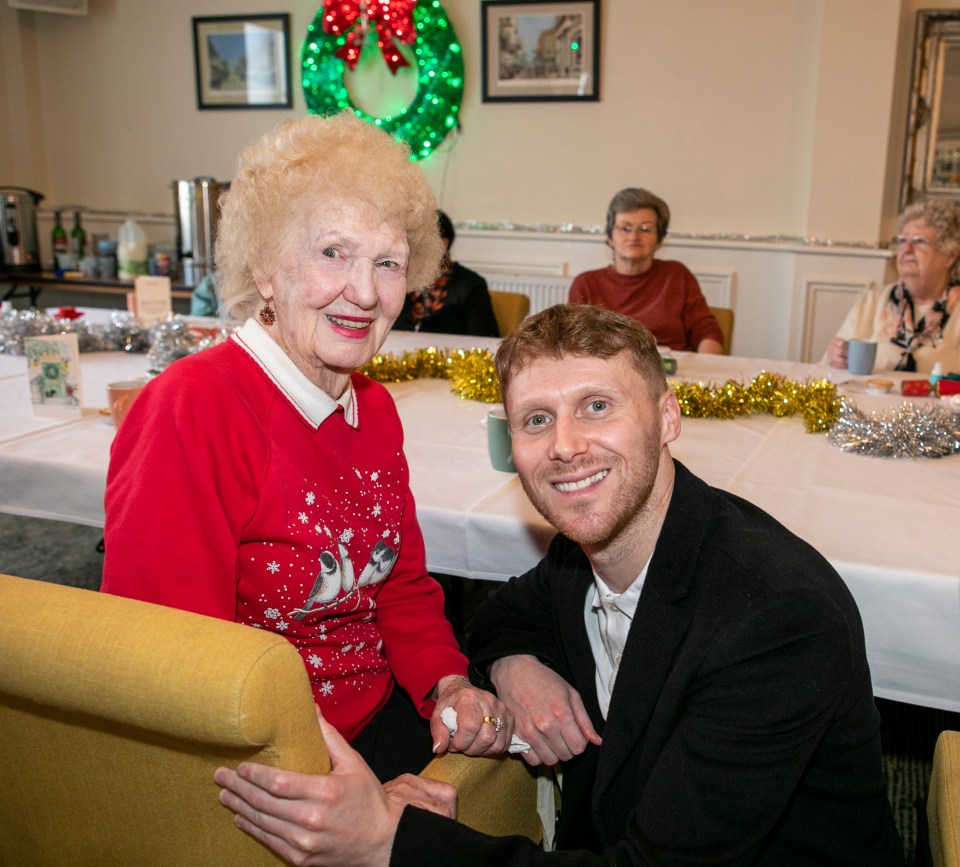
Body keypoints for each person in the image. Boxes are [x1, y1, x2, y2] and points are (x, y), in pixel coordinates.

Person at [215, 305, 905, 866]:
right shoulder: (587, 555)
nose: (565, 445)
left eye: (597, 406)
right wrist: (516, 666)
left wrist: (390, 840)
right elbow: (502, 616)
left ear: (667, 416)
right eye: (536, 420)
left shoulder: (776, 618)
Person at [101, 112, 512, 782]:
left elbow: (402, 588)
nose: (364, 291)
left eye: (387, 263)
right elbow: (175, 666)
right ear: (265, 267)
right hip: (256, 762)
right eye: (333, 253)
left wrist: (447, 683)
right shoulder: (191, 409)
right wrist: (358, 803)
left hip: (376, 716)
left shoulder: (373, 408)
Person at [569, 187, 723, 353]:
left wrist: (702, 369)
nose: (634, 237)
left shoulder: (677, 275)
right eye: (625, 228)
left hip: (672, 373)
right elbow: (575, 345)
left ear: (660, 240)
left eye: (645, 229)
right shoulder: (586, 284)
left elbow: (707, 332)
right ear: (609, 237)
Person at [825, 199, 960, 373]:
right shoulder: (873, 300)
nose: (907, 249)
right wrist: (837, 356)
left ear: (949, 256)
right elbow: (831, 366)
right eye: (902, 240)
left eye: (919, 241)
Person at [393, 210, 499, 337]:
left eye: (421, 239)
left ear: (443, 244)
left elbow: (485, 338)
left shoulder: (471, 284)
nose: (414, 246)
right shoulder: (400, 278)